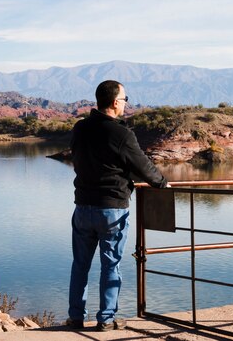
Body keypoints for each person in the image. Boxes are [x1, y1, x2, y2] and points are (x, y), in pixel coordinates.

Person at [67, 80, 168, 331]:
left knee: (80, 264)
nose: (125, 104)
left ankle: (76, 318)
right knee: (110, 265)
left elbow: (76, 158)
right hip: (111, 210)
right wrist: (162, 184)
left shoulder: (80, 128)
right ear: (114, 102)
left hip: (82, 207)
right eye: (124, 99)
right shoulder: (121, 133)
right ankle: (106, 319)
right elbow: (144, 167)